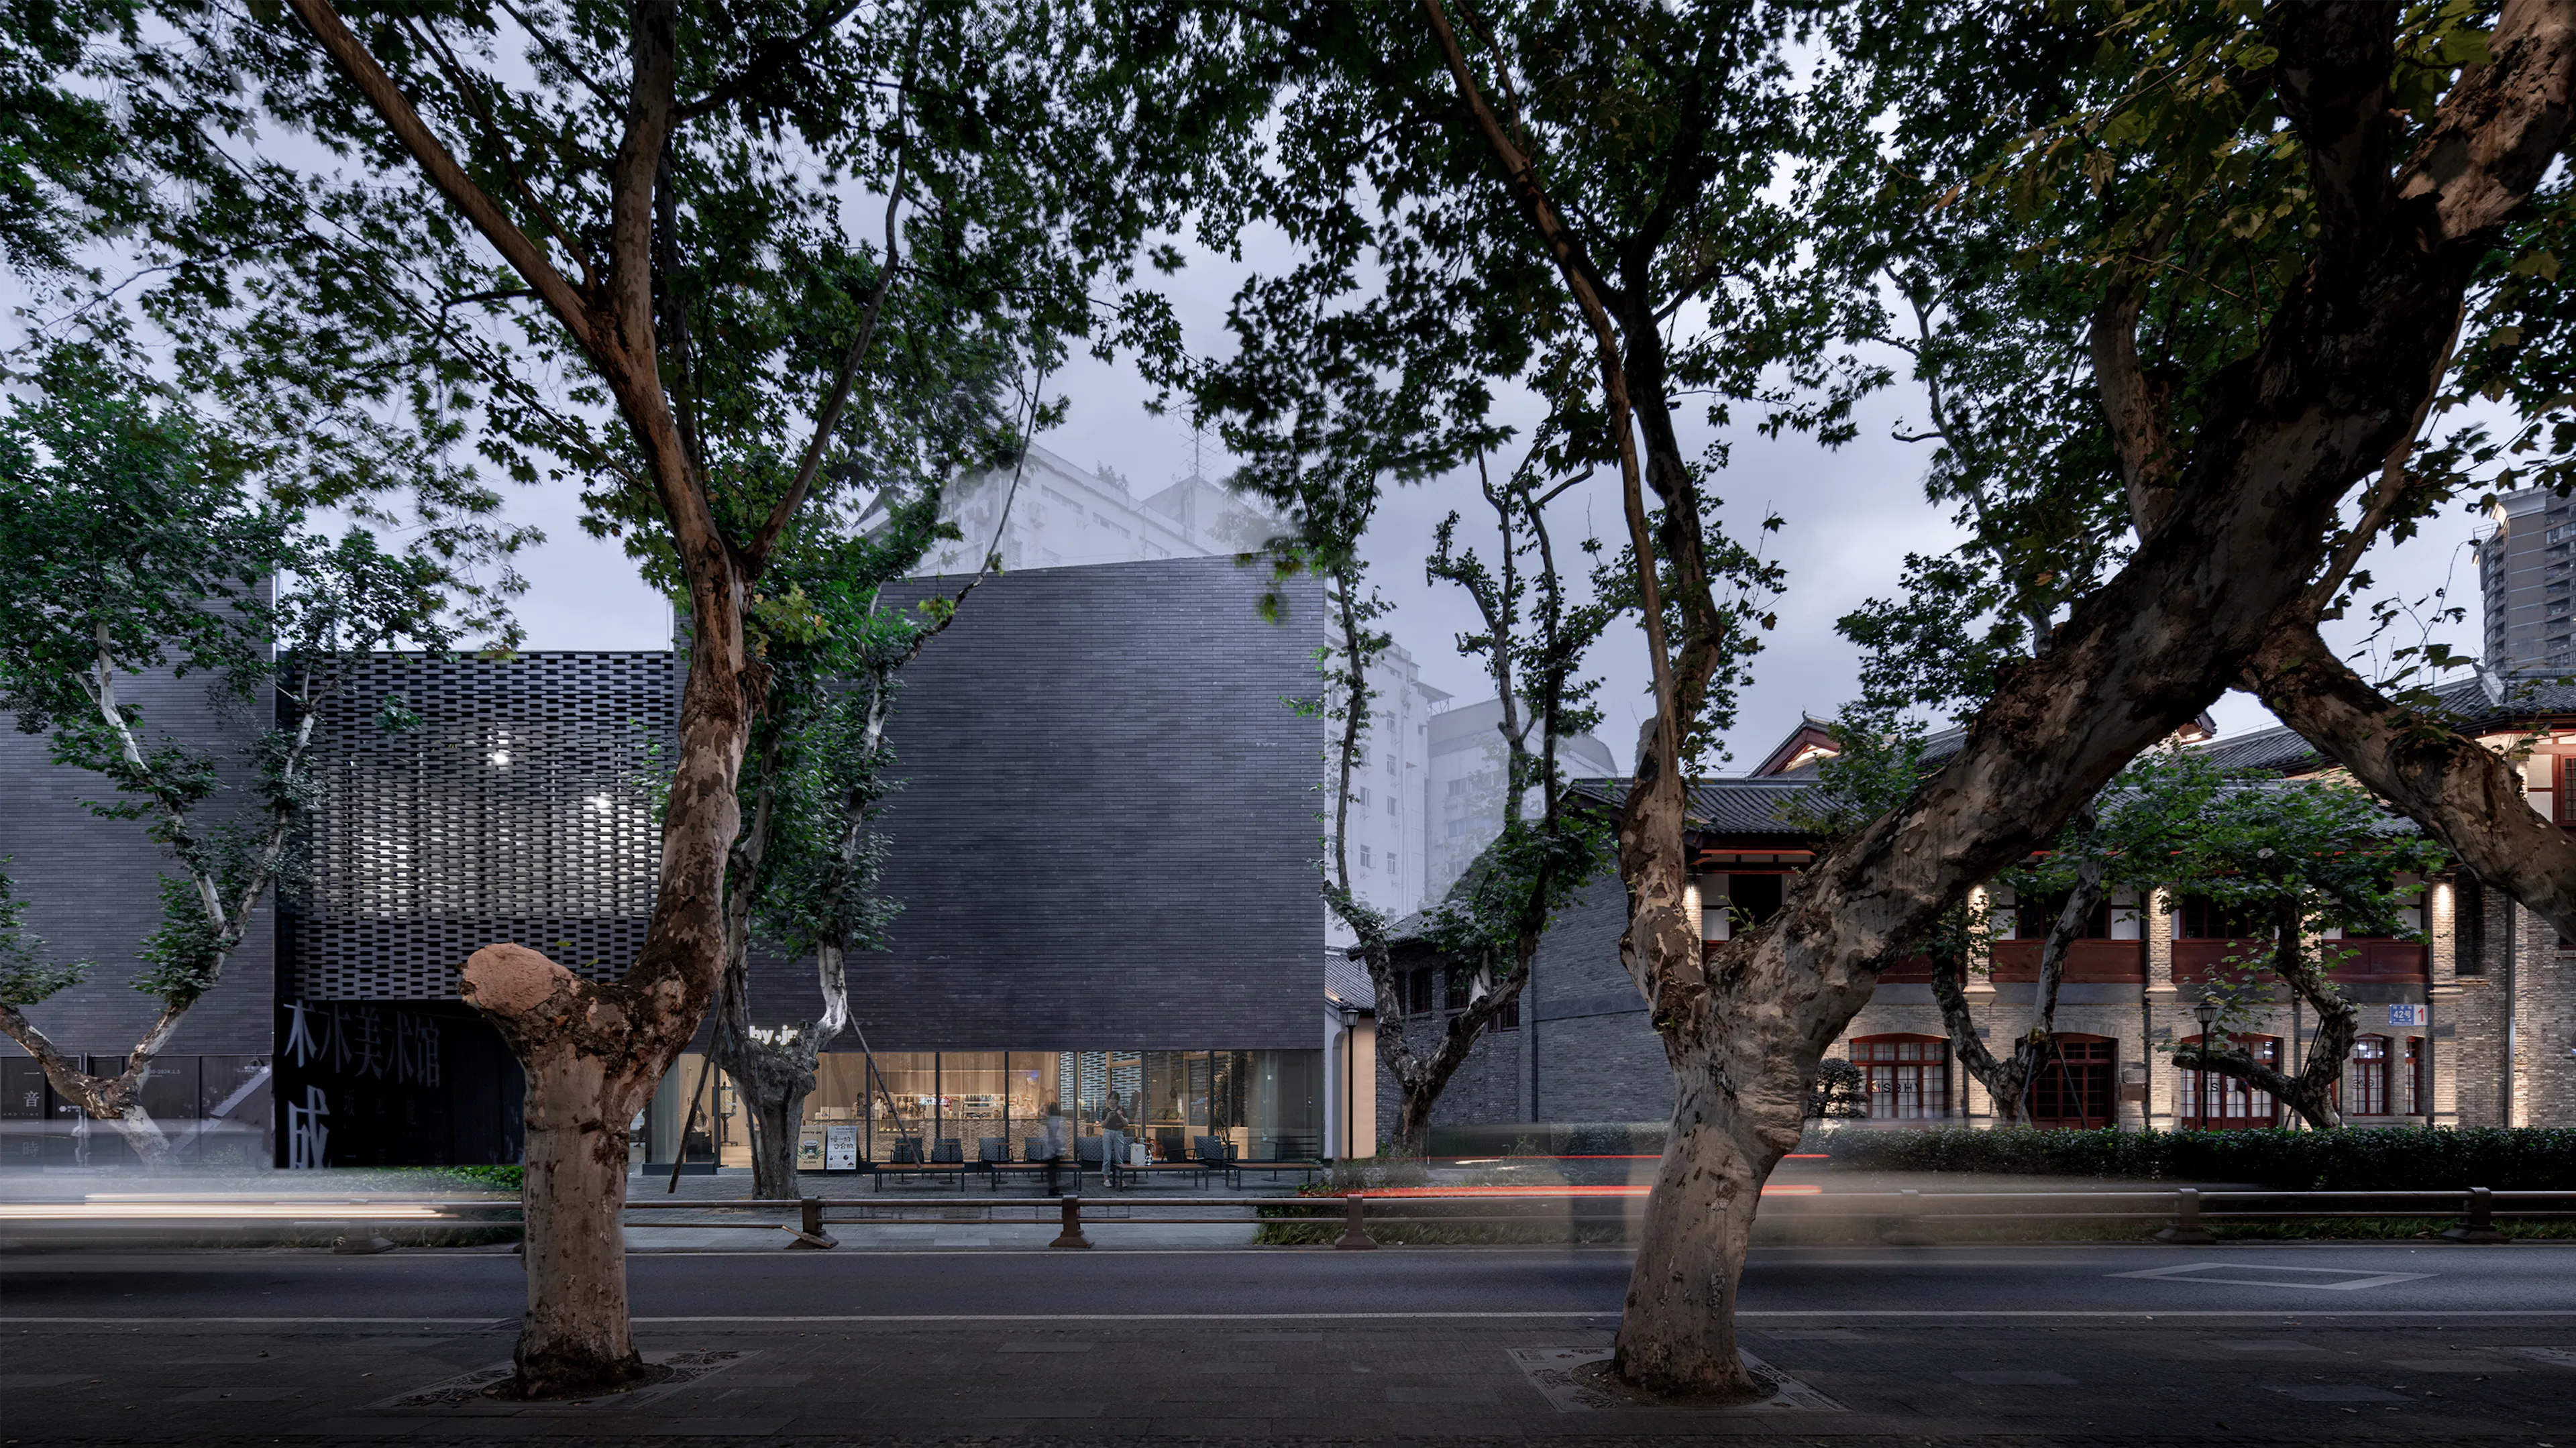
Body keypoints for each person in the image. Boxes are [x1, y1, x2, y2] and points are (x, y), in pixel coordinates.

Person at [1040, 1103, 1070, 1196]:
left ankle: (1053, 1188)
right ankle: (1053, 1189)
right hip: (1054, 1150)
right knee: (1052, 1170)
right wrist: (1062, 1149)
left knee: (1052, 1170)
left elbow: (1048, 1136)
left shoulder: (1050, 1121)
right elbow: (1059, 1136)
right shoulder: (1058, 1121)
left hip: (1051, 1150)